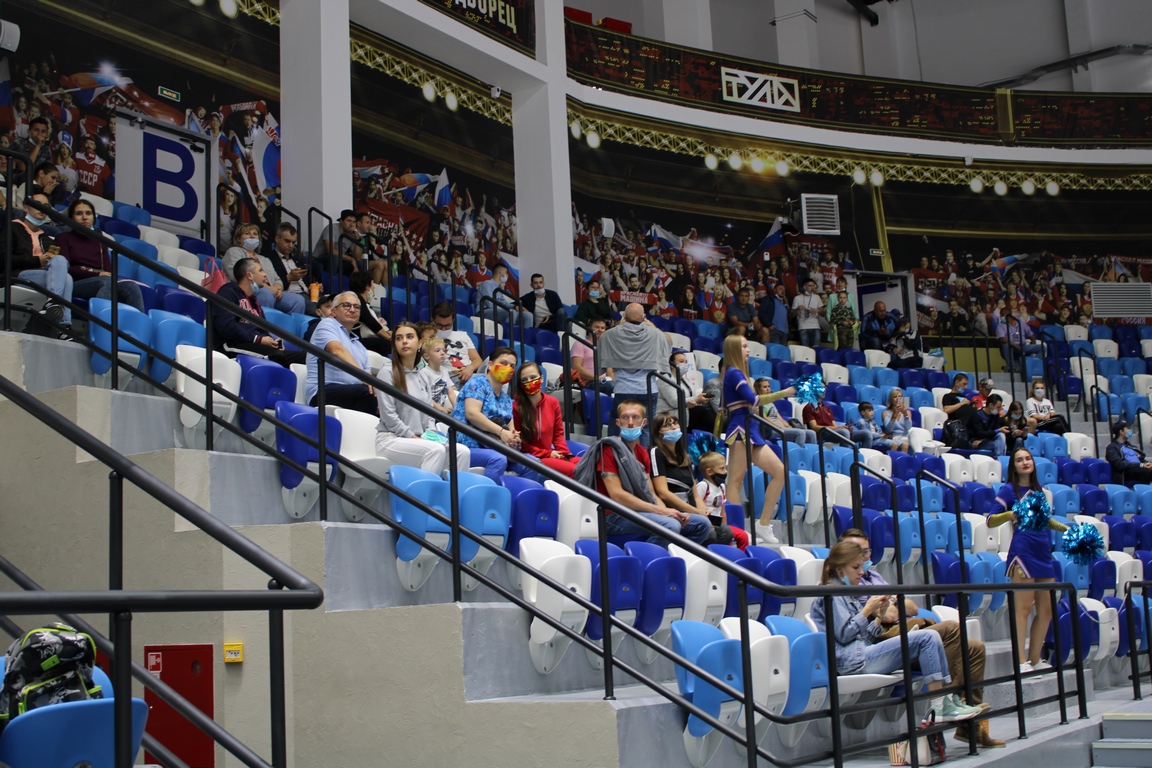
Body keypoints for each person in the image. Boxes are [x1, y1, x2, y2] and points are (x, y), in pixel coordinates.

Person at [836, 529, 999, 746]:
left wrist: (892, 605)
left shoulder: (874, 576)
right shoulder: (849, 583)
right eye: (858, 553)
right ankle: (950, 703)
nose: (864, 558)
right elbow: (889, 614)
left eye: (866, 552)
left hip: (904, 629)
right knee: (949, 630)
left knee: (975, 648)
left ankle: (968, 725)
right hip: (884, 638)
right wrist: (889, 607)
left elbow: (911, 607)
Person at [810, 541, 979, 723]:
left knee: (932, 636)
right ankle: (940, 705)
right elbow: (844, 635)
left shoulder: (846, 591)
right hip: (850, 662)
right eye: (855, 567)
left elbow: (863, 637)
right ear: (839, 568)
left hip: (860, 655)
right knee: (927, 637)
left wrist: (878, 617)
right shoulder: (831, 593)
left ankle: (947, 699)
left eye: (861, 566)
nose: (861, 572)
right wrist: (867, 610)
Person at [571, 399, 713, 548]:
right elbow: (617, 495)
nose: (630, 422)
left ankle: (673, 556)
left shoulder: (642, 452)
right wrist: (661, 512)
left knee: (701, 524)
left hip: (637, 511)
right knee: (670, 525)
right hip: (611, 515)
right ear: (618, 423)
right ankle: (645, 563)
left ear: (644, 422)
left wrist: (667, 510)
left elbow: (650, 492)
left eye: (635, 417)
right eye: (625, 417)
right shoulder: (609, 449)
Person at [987, 447, 1067, 672]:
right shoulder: (1008, 490)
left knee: (1047, 610)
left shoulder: (1038, 491)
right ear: (1014, 466)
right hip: (1022, 553)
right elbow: (990, 520)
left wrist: (1067, 530)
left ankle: (1034, 658)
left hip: (1043, 552)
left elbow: (1046, 521)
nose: (1025, 462)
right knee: (1022, 609)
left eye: (1028, 458)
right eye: (1019, 460)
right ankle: (1020, 661)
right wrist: (1010, 515)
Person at [720, 334, 796, 539]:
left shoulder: (738, 373)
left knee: (780, 472)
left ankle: (763, 524)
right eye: (744, 346)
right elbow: (753, 400)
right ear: (734, 349)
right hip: (740, 429)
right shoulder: (734, 373)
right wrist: (784, 393)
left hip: (751, 428)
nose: (748, 349)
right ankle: (736, 529)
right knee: (735, 482)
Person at [376, 322, 470, 476]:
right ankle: (423, 499)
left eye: (409, 337)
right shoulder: (387, 372)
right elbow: (388, 416)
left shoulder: (423, 374)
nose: (404, 341)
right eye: (399, 338)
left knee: (462, 452)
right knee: (435, 450)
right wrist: (413, 437)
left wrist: (431, 434)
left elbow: (429, 413)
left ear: (420, 343)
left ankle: (454, 499)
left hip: (419, 438)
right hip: (391, 439)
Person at [651, 417, 747, 549]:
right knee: (709, 534)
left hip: (690, 511)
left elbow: (695, 495)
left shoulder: (684, 456)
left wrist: (704, 512)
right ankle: (684, 558)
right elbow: (663, 493)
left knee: (725, 532)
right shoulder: (656, 452)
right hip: (674, 511)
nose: (673, 427)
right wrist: (697, 512)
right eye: (667, 425)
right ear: (658, 432)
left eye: (675, 423)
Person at [597, 303, 672, 446]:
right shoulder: (656, 335)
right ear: (644, 317)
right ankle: (642, 462)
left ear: (624, 316)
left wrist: (619, 324)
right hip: (648, 389)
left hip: (623, 389)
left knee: (617, 422)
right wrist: (652, 326)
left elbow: (603, 339)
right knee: (646, 427)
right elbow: (667, 341)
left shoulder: (612, 334)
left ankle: (611, 453)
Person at [55, 198, 144, 312]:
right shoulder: (63, 238)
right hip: (74, 283)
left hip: (101, 281)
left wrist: (100, 275)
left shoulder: (99, 240)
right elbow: (65, 269)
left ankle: (136, 328)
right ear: (72, 217)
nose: (84, 217)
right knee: (105, 281)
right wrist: (97, 274)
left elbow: (107, 271)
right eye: (79, 214)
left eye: (88, 213)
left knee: (132, 287)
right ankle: (100, 327)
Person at [6, 188, 75, 337]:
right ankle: (63, 326)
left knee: (65, 271)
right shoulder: (12, 228)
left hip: (42, 276)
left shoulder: (46, 236)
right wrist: (38, 260)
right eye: (37, 204)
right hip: (19, 274)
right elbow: (3, 259)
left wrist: (49, 259)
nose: (42, 208)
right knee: (65, 277)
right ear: (25, 207)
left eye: (45, 205)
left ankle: (55, 307)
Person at [212, 257, 304, 366]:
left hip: (254, 345)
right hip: (230, 345)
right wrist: (258, 339)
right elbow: (226, 326)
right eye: (260, 270)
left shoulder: (254, 302)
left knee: (306, 358)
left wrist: (271, 342)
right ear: (249, 275)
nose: (265, 274)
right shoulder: (228, 292)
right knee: (276, 355)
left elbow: (262, 330)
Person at [451, 346, 521, 483]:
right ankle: (484, 500)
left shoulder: (506, 399)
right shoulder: (477, 383)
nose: (508, 368)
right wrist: (501, 432)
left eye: (512, 366)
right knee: (498, 459)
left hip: (494, 447)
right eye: (504, 363)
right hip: (466, 445)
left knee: (531, 464)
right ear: (490, 365)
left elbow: (511, 429)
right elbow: (472, 414)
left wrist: (514, 437)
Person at [304, 290, 377, 414]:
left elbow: (368, 375)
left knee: (382, 397)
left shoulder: (360, 346)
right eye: (347, 305)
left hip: (352, 392)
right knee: (365, 393)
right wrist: (363, 376)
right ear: (333, 312)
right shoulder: (327, 324)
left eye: (357, 307)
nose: (352, 310)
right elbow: (337, 350)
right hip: (323, 391)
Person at [512, 361, 579, 480]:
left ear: (541, 378)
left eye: (533, 377)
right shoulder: (516, 407)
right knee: (574, 471)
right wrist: (548, 454)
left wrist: (564, 455)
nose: (529, 382)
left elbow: (558, 434)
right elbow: (521, 444)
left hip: (551, 453)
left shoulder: (552, 402)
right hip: (533, 457)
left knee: (590, 466)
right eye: (524, 380)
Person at [224, 223, 306, 316]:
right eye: (247, 233)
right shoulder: (234, 252)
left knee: (298, 300)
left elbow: (277, 279)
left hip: (272, 293)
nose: (252, 236)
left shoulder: (264, 259)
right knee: (265, 293)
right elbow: (238, 275)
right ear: (239, 238)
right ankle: (263, 329)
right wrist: (269, 289)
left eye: (255, 234)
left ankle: (289, 330)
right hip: (247, 293)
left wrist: (277, 289)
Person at [658, 351, 715, 432]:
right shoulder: (665, 379)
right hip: (669, 414)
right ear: (671, 365)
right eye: (681, 362)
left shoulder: (685, 379)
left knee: (705, 414)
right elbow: (675, 401)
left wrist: (698, 400)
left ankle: (707, 440)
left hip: (684, 411)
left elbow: (690, 398)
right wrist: (696, 399)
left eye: (686, 362)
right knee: (702, 413)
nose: (684, 364)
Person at [432, 301, 482, 384]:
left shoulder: (463, 336)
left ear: (453, 321)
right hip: (447, 376)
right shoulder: (429, 338)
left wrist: (470, 368)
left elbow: (477, 360)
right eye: (439, 325)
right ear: (432, 320)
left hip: (467, 374)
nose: (444, 329)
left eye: (448, 325)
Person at [755, 378, 816, 446]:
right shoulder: (757, 403)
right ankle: (799, 454)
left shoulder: (770, 403)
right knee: (800, 433)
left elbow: (780, 418)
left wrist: (788, 426)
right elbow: (765, 419)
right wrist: (779, 427)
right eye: (764, 387)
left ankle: (813, 454)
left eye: (768, 386)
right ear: (758, 389)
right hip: (772, 430)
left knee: (811, 433)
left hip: (780, 428)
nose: (768, 389)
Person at [476, 263, 532, 327]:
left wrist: (515, 307)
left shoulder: (498, 288)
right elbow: (490, 304)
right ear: (500, 272)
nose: (507, 275)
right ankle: (508, 335)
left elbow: (504, 303)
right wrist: (507, 309)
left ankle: (523, 336)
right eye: (506, 272)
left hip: (499, 311)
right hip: (485, 311)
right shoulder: (486, 284)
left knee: (528, 316)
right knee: (511, 312)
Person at [349, 270, 392, 356]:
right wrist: (388, 337)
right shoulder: (357, 299)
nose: (374, 287)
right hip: (356, 340)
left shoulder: (364, 303)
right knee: (389, 345)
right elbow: (369, 321)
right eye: (373, 284)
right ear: (367, 286)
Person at [312, 209, 362, 278]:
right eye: (348, 221)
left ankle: (360, 287)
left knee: (359, 263)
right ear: (341, 221)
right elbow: (331, 250)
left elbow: (357, 256)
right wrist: (351, 259)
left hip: (339, 261)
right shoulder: (331, 228)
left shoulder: (352, 234)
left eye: (353, 222)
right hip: (319, 259)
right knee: (335, 257)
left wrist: (357, 240)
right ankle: (331, 285)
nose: (351, 225)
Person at [570, 317, 613, 392]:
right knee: (610, 386)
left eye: (602, 328)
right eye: (597, 327)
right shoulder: (580, 344)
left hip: (605, 382)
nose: (600, 330)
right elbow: (576, 368)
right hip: (589, 382)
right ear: (589, 328)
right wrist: (597, 378)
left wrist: (612, 380)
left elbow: (609, 370)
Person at [416, 336, 457, 414]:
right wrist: (442, 409)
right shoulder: (424, 373)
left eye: (443, 350)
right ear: (426, 356)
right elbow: (426, 398)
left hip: (440, 411)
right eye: (437, 351)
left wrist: (457, 407)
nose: (442, 353)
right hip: (427, 412)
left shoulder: (444, 371)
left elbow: (451, 392)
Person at [997, 306, 1042, 374]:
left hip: (1022, 346)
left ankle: (1032, 364)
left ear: (1007, 315)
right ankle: (1012, 368)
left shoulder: (1020, 323)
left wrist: (1033, 341)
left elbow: (1030, 334)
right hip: (1011, 347)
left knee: (1041, 348)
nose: (1000, 317)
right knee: (1006, 345)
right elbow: (1002, 339)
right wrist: (1014, 344)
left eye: (1001, 315)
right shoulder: (1001, 326)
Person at [1105, 420, 1152, 486]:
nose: (1130, 430)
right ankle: (1143, 493)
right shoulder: (1112, 448)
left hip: (1138, 468)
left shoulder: (1131, 447)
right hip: (1125, 472)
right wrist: (1141, 465)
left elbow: (1140, 459)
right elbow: (1119, 464)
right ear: (1121, 432)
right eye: (1128, 428)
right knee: (1145, 472)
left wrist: (1147, 463)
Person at [791, 278, 823, 349]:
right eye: (810, 286)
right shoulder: (797, 298)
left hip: (815, 326)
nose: (812, 288)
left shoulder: (817, 297)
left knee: (816, 349)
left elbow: (823, 313)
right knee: (805, 350)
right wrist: (798, 309)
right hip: (803, 326)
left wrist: (817, 310)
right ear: (804, 287)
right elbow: (791, 315)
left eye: (813, 286)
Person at [882, 388, 912, 453]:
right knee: (905, 443)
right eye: (895, 397)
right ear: (891, 400)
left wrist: (905, 414)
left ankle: (919, 454)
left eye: (900, 397)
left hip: (905, 436)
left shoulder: (907, 412)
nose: (898, 399)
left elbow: (908, 427)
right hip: (894, 437)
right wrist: (895, 414)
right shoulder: (886, 413)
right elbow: (888, 429)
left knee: (914, 434)